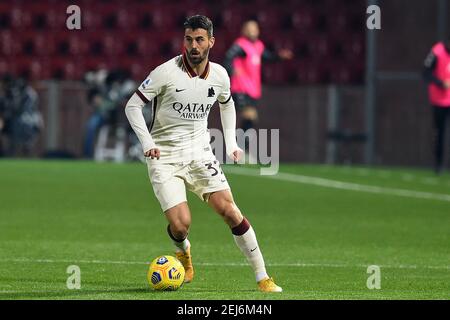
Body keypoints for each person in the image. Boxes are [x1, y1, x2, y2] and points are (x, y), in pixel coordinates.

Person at [124, 15, 282, 292]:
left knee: (230, 211)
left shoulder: (220, 75)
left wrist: (231, 143)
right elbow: (132, 106)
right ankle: (184, 253)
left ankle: (262, 276)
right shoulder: (165, 72)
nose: (193, 46)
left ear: (211, 41)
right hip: (165, 157)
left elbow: (227, 104)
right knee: (181, 225)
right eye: (188, 39)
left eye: (199, 39)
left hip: (200, 153)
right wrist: (147, 142)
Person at [223, 20, 293, 138]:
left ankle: (237, 146)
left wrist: (279, 56)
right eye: (249, 28)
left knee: (249, 119)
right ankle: (239, 146)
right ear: (244, 31)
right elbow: (228, 58)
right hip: (241, 88)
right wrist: (232, 69)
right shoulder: (240, 45)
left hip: (252, 89)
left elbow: (268, 57)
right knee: (249, 116)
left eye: (254, 28)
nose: (252, 31)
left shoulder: (258, 46)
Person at [423, 38, 450, 174]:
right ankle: (438, 165)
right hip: (439, 101)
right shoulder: (437, 51)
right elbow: (425, 73)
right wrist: (441, 83)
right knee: (439, 133)